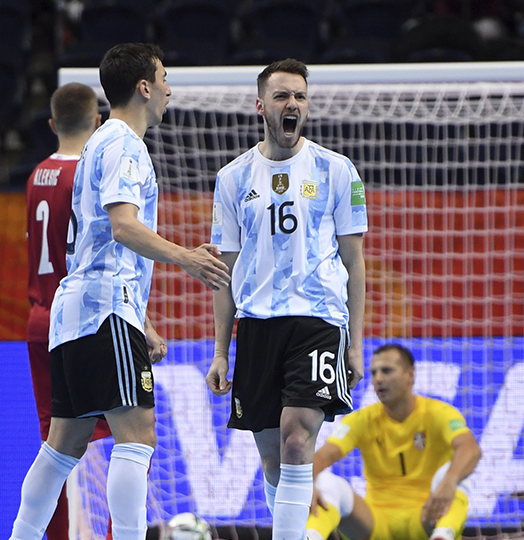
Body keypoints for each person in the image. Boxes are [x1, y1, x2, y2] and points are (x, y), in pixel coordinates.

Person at [10, 43, 230, 540]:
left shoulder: (96, 143)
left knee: (63, 444)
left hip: (77, 310)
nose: (171, 89)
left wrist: (144, 320)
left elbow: (93, 240)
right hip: (105, 308)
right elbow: (123, 227)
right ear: (145, 87)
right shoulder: (126, 145)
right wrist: (186, 258)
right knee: (139, 438)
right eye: (165, 77)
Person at [206, 58, 368, 540]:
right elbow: (225, 270)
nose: (291, 104)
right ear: (261, 106)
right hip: (256, 325)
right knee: (275, 461)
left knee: (299, 437)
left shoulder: (338, 170)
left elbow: (355, 263)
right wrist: (220, 349)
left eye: (299, 95)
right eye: (281, 96)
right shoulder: (232, 178)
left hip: (317, 319)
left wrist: (356, 343)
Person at [24, 82, 108, 540]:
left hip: (39, 320)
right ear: (97, 122)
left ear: (53, 125)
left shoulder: (36, 174)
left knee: (52, 448)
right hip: (82, 320)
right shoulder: (91, 176)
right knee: (135, 436)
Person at [305, 344, 482, 540]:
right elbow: (323, 456)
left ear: (410, 374)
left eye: (387, 370)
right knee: (324, 481)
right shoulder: (361, 420)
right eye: (373, 372)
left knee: (456, 473)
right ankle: (310, 536)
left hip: (426, 518)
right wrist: (307, 484)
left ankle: (443, 535)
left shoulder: (439, 413)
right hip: (375, 525)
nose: (378, 378)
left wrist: (449, 481)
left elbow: (470, 449)